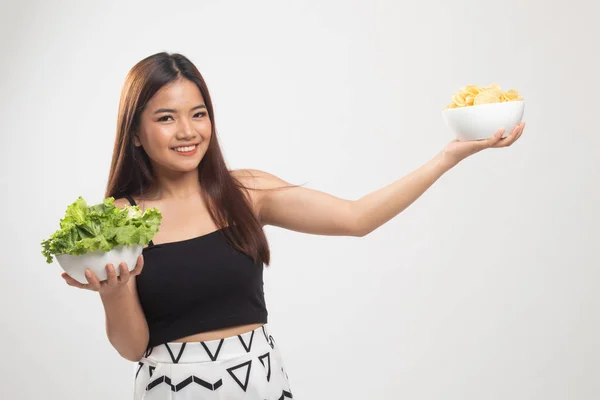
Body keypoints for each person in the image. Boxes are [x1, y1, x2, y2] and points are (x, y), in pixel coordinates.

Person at [60, 52, 525, 399]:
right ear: (136, 133)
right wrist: (114, 292)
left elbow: (356, 217)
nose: (188, 131)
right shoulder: (118, 221)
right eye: (166, 118)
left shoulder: (245, 192)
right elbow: (132, 347)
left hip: (260, 380)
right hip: (173, 386)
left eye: (198, 114)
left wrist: (447, 157)